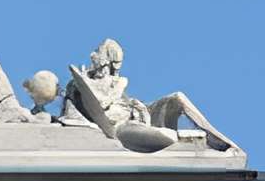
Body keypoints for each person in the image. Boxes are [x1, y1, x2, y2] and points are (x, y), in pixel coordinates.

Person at [61, 37, 237, 153]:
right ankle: (187, 141)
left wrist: (85, 83)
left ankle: (221, 142)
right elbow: (81, 112)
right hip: (120, 129)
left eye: (99, 54)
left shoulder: (118, 82)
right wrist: (81, 84)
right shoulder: (79, 84)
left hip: (132, 121)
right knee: (167, 137)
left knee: (178, 98)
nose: (94, 57)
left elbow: (103, 101)